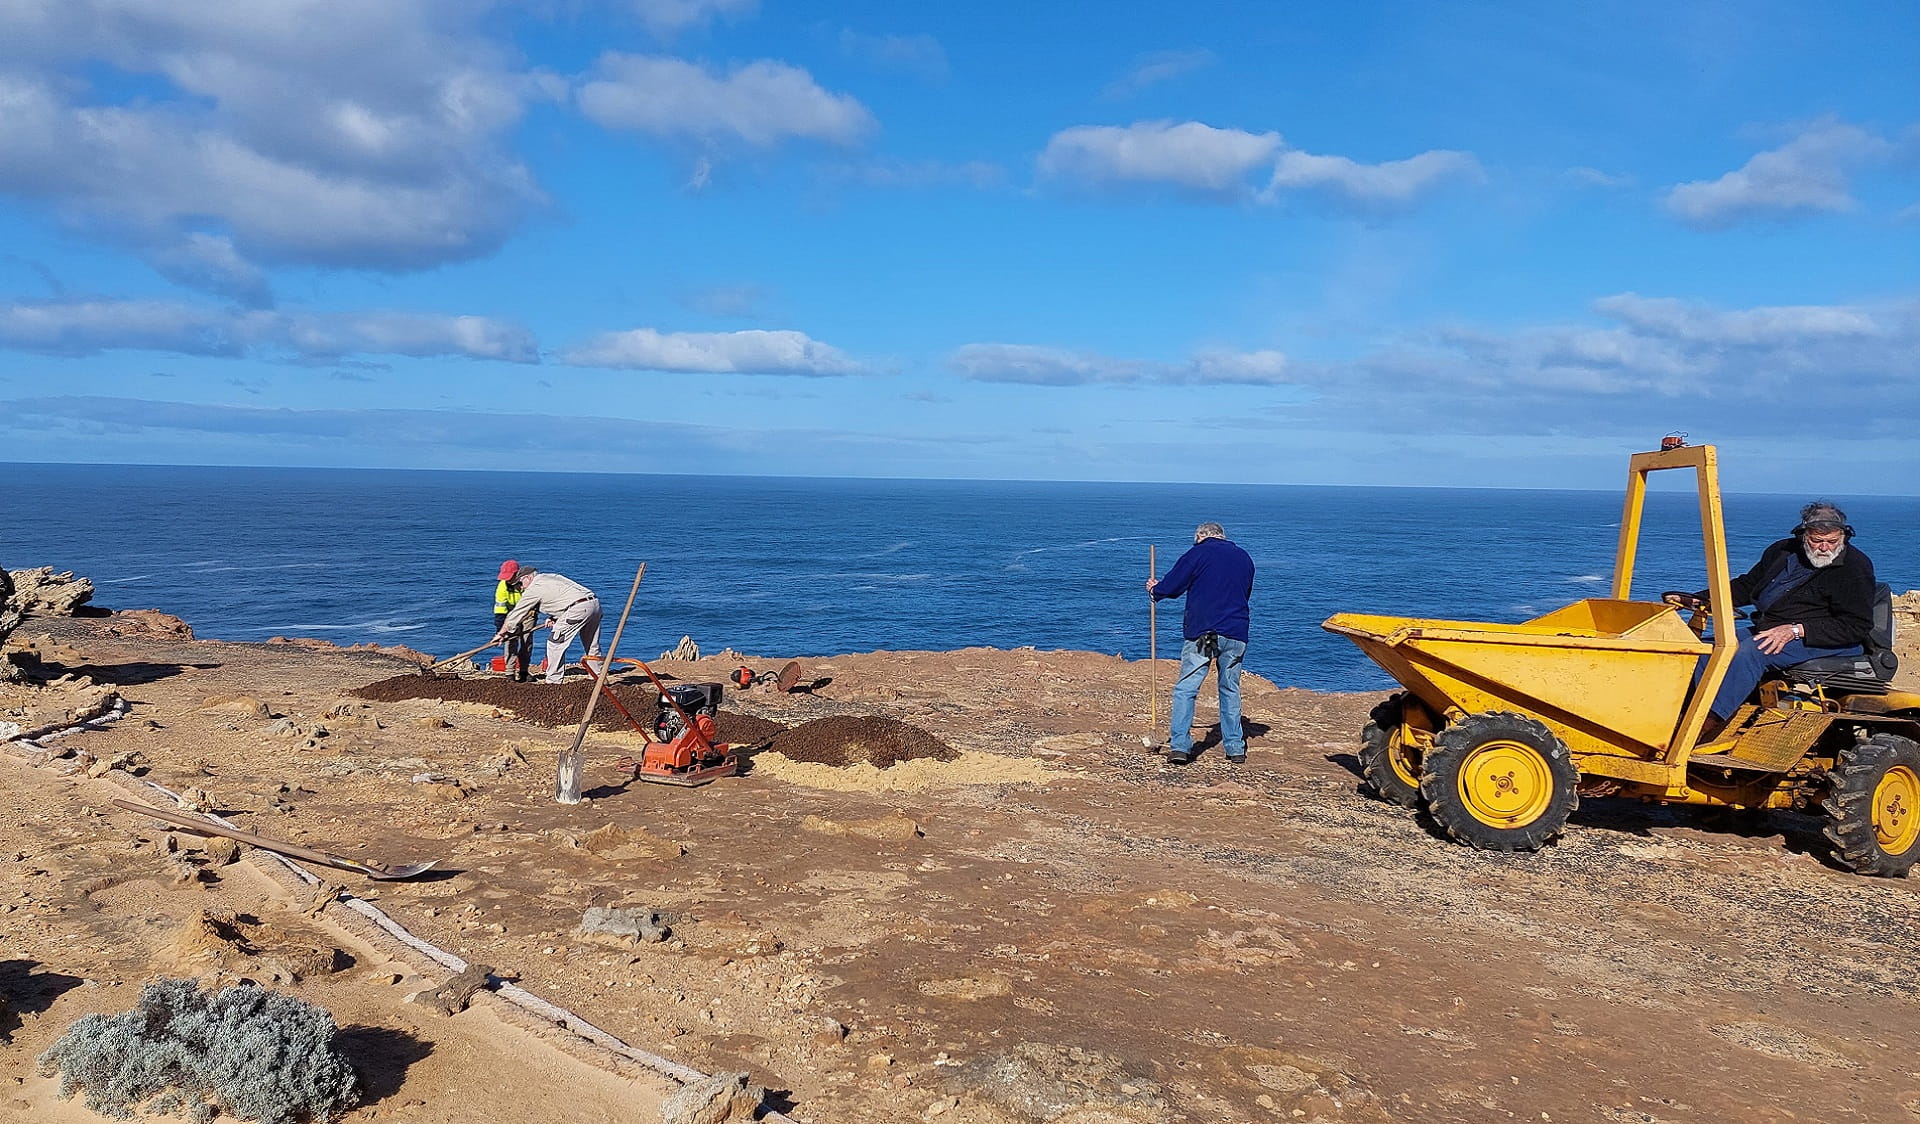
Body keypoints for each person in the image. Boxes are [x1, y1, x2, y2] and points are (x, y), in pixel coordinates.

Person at [1669, 500, 1876, 738]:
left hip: (1829, 638)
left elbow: (1856, 626)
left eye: (1832, 541)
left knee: (1752, 651)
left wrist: (1796, 630)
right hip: (1773, 627)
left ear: (1843, 536)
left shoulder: (1854, 567)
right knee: (1709, 647)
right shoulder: (1782, 551)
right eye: (1817, 540)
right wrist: (1701, 599)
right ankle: (1685, 711)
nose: (1824, 548)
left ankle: (1705, 726)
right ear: (1803, 534)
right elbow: (1747, 585)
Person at [1146, 522, 1256, 764]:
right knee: (1230, 688)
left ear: (1200, 536)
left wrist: (1156, 590)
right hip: (1236, 633)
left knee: (1188, 687)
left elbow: (1174, 585)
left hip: (1208, 633)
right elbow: (1244, 593)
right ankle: (1235, 748)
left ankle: (1180, 747)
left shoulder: (1199, 552)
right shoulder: (1244, 557)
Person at [493, 566, 602, 684]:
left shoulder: (534, 588)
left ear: (528, 577)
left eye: (520, 583)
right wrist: (556, 617)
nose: (521, 587)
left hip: (577, 609)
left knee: (555, 643)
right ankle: (597, 676)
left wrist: (501, 633)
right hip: (594, 604)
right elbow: (565, 596)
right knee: (591, 644)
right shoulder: (550, 577)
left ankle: (553, 681)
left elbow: (518, 612)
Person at [492, 560, 535, 683]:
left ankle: (524, 671)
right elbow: (500, 610)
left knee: (526, 642)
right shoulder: (502, 587)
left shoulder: (528, 583)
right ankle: (510, 673)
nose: (508, 580)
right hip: (511, 615)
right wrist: (500, 631)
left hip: (528, 614)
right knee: (511, 641)